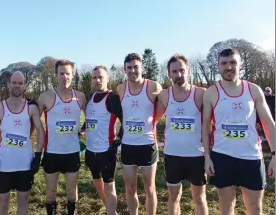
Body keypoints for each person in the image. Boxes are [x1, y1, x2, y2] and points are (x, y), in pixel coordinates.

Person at [202, 48, 275, 215]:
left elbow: (269, 123)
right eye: (224, 63)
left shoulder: (254, 90)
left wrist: (274, 155)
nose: (229, 67)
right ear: (218, 67)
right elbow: (205, 127)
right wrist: (207, 156)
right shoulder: (211, 93)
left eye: (233, 62)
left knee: (255, 208)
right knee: (226, 208)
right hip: (222, 156)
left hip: (251, 157)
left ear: (240, 65)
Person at [158, 54, 208, 215]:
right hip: (173, 154)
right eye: (174, 71)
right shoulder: (164, 95)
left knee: (199, 198)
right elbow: (151, 118)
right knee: (173, 197)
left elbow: (211, 123)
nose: (178, 75)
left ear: (189, 71)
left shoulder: (201, 93)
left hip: (196, 155)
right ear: (169, 74)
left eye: (182, 70)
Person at [0, 71, 45, 215]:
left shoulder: (31, 108)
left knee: (23, 200)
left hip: (25, 164)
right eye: (14, 82)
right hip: (4, 163)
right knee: (2, 201)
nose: (17, 86)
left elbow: (40, 131)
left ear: (25, 86)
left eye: (20, 83)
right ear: (8, 84)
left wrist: (38, 155)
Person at [38, 59, 86, 215]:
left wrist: (83, 130)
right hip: (52, 153)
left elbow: (93, 117)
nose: (64, 77)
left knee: (72, 190)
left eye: (67, 73)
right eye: (61, 73)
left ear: (73, 75)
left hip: (72, 153)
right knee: (51, 191)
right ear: (56, 75)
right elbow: (32, 120)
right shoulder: (46, 97)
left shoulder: (80, 97)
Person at [116, 53, 163, 215]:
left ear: (142, 67)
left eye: (136, 67)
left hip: (147, 144)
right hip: (128, 145)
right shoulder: (121, 89)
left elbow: (163, 106)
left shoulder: (153, 87)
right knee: (130, 187)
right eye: (129, 67)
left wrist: (152, 122)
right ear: (124, 69)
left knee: (149, 188)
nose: (133, 71)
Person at [82, 65, 123, 215]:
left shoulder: (112, 98)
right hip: (91, 150)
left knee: (109, 187)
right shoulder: (89, 98)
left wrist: (119, 137)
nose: (98, 80)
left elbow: (125, 119)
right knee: (97, 184)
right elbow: (90, 119)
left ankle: (111, 212)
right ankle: (110, 210)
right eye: (94, 77)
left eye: (101, 77)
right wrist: (82, 129)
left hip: (106, 150)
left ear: (107, 79)